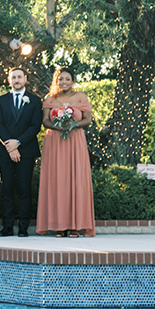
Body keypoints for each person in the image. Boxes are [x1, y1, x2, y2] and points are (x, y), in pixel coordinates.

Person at [36, 66, 96, 238]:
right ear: (56, 81)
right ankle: (59, 225)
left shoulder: (81, 96)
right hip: (54, 142)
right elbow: (45, 121)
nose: (64, 82)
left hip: (75, 141)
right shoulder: (50, 98)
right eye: (60, 79)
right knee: (57, 181)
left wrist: (73, 124)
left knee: (76, 180)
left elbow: (88, 119)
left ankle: (77, 225)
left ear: (73, 81)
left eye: (67, 79)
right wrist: (58, 125)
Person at [0, 66, 43, 238]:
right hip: (5, 150)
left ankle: (23, 227)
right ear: (9, 80)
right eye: (13, 77)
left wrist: (18, 143)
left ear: (25, 79)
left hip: (26, 151)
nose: (17, 80)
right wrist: (10, 146)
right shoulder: (1, 100)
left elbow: (35, 126)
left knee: (24, 188)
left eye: (19, 77)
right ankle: (7, 227)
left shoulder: (35, 101)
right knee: (6, 188)